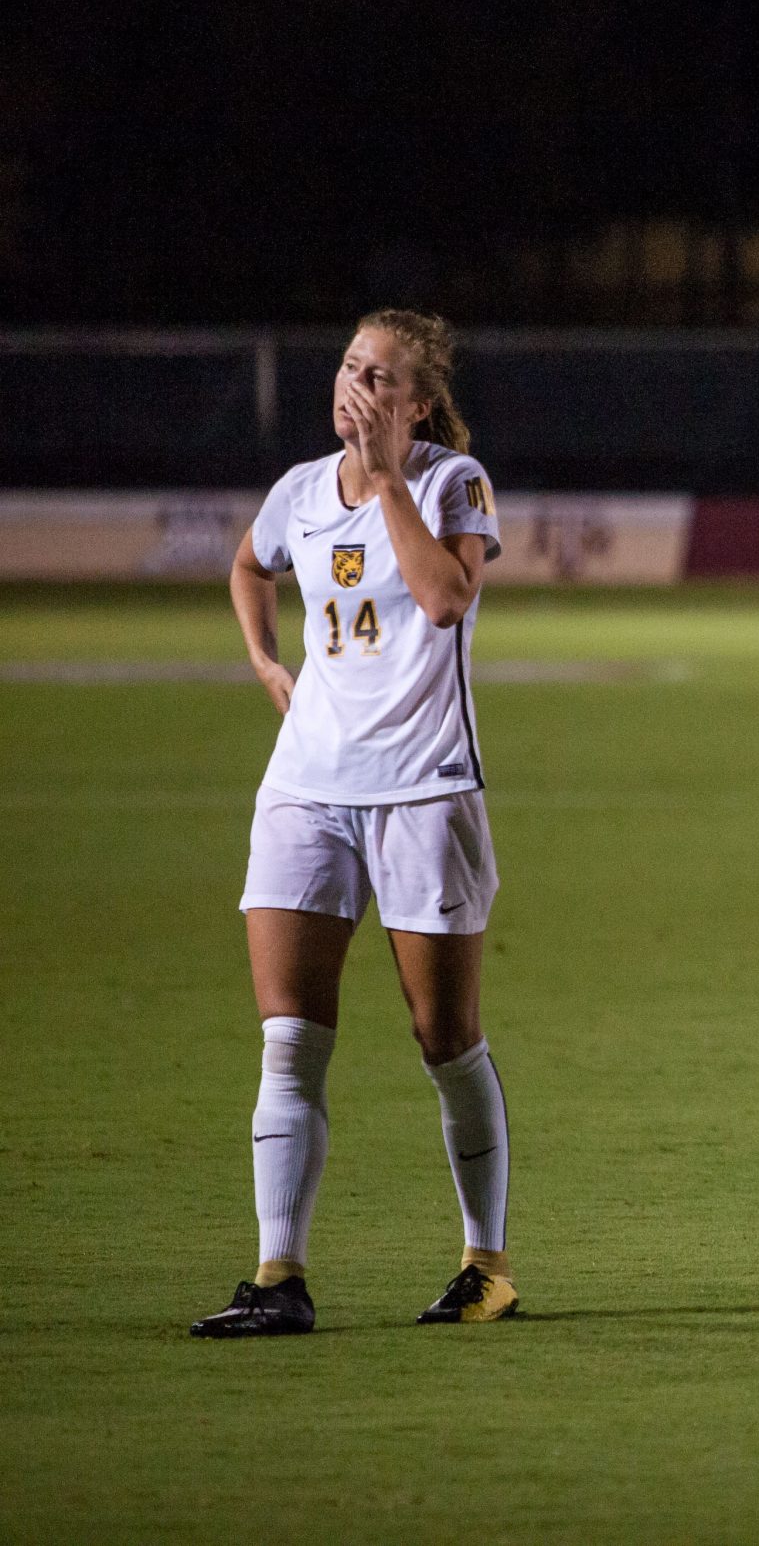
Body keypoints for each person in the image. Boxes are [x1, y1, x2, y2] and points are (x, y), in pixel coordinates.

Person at [191, 310, 518, 1337]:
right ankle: (278, 1277)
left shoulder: (449, 484)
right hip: (308, 789)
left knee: (443, 1036)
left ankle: (485, 1266)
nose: (356, 386)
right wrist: (263, 657)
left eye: (382, 377)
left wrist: (384, 487)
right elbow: (250, 566)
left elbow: (446, 599)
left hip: (424, 790)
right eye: (349, 366)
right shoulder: (295, 491)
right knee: (289, 1040)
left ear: (419, 403)